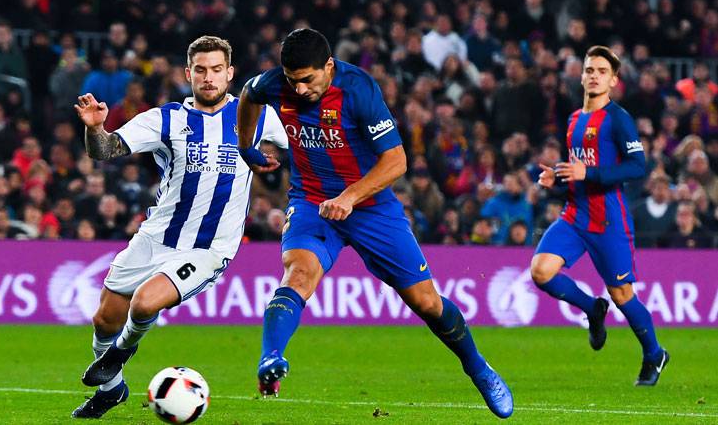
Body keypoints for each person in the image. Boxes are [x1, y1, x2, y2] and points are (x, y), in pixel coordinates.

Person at [236, 28, 512, 418]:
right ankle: (271, 359)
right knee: (298, 274)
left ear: (328, 66)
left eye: (308, 80)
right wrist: (245, 146)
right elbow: (248, 95)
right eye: (292, 80)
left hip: (370, 205)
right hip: (312, 202)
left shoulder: (358, 89)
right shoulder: (275, 84)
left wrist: (349, 197)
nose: (299, 89)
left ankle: (478, 368)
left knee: (426, 302)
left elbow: (397, 161)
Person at [70, 35, 287, 419]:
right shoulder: (165, 119)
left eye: (216, 70)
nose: (209, 78)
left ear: (230, 73)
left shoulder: (259, 116)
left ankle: (122, 351)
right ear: (188, 74)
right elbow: (105, 150)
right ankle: (111, 389)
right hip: (157, 236)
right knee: (105, 317)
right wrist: (94, 129)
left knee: (144, 302)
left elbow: (302, 143)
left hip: (208, 248)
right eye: (201, 70)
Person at [532, 46, 669, 386]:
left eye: (602, 71)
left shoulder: (618, 119)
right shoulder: (573, 120)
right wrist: (557, 178)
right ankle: (592, 309)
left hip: (608, 221)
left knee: (622, 295)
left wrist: (587, 173)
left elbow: (637, 166)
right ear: (581, 76)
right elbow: (577, 169)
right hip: (574, 215)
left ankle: (654, 353)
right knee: (540, 271)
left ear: (614, 80)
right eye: (590, 70)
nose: (594, 76)